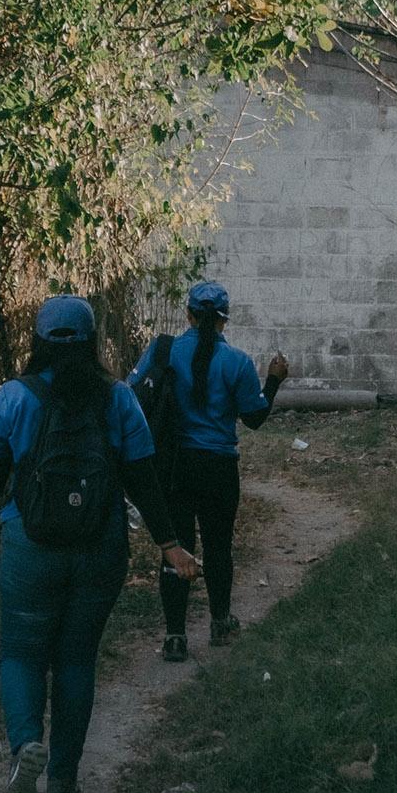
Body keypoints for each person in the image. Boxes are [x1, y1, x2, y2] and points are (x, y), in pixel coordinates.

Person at [0, 293, 200, 793]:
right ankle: (63, 781)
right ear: (92, 342)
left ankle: (26, 746)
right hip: (100, 546)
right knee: (75, 659)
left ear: (38, 341)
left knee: (22, 653)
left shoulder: (15, 397)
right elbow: (143, 477)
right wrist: (169, 542)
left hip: (31, 546)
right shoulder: (118, 398)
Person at [130, 281, 289, 662]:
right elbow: (253, 418)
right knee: (219, 546)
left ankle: (174, 636)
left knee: (176, 546)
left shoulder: (163, 350)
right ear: (224, 321)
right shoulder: (236, 362)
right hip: (219, 467)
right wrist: (274, 380)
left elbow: (134, 394)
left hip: (174, 465)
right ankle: (220, 623)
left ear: (188, 314)